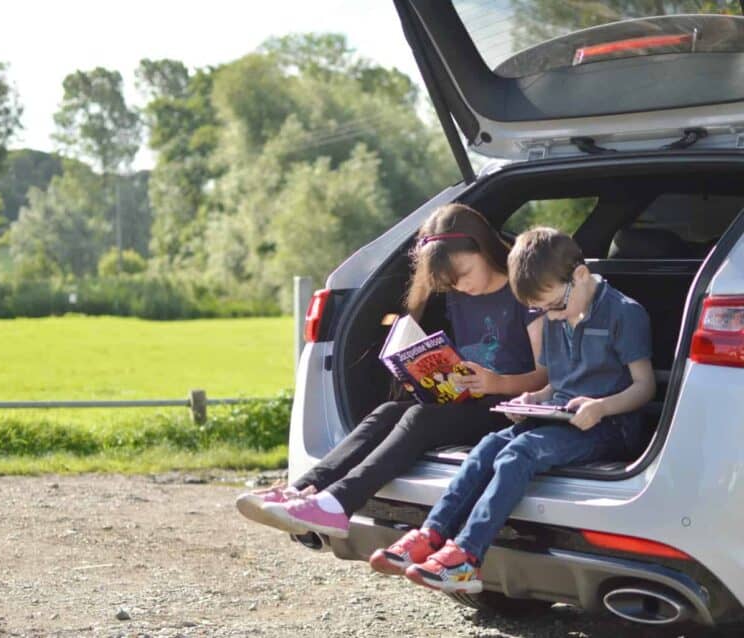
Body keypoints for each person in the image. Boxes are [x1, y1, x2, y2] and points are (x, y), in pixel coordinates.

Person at [235, 204, 547, 552]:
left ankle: (337, 504)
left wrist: (496, 384)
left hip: (511, 407)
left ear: (483, 247)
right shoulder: (460, 297)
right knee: (387, 411)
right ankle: (303, 488)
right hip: (469, 400)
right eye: (451, 282)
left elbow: (548, 375)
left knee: (417, 417)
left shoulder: (524, 293)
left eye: (464, 272)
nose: (461, 285)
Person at [371, 227, 655, 593]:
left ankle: (467, 558)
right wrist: (533, 400)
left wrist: (601, 407)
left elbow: (644, 387)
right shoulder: (557, 310)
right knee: (487, 448)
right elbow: (557, 382)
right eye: (542, 310)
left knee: (519, 453)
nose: (551, 318)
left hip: (608, 425)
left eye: (554, 306)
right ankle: (431, 533)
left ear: (580, 276)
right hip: (559, 416)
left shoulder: (625, 314)